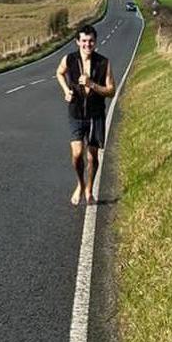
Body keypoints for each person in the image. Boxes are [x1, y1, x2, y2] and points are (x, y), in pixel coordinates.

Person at [56, 24, 116, 206]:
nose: (87, 44)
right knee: (77, 154)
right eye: (83, 41)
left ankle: (89, 188)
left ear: (95, 42)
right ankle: (80, 185)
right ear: (77, 42)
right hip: (76, 113)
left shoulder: (103, 63)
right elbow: (59, 73)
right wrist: (66, 90)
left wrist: (92, 85)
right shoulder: (69, 59)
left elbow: (111, 91)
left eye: (90, 41)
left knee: (92, 156)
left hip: (95, 115)